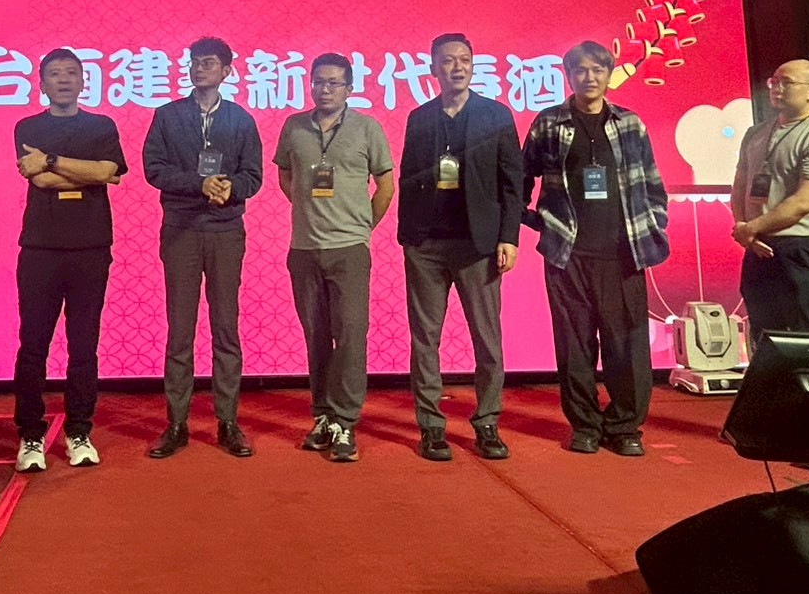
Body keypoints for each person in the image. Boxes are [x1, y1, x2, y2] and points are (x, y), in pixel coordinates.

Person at [521, 41, 670, 457]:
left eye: (597, 70)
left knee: (627, 348)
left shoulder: (630, 123)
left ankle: (625, 427)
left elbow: (652, 183)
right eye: (580, 71)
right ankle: (585, 426)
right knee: (574, 347)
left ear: (609, 74)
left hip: (623, 253)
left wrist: (653, 225)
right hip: (567, 255)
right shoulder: (548, 123)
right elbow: (520, 178)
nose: (589, 77)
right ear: (568, 75)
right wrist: (535, 221)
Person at [397, 33, 522, 462]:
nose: (457, 67)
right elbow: (409, 178)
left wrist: (509, 237)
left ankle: (487, 421)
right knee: (424, 339)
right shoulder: (420, 118)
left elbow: (513, 183)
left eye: (464, 60)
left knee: (487, 340)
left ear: (473, 65)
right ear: (433, 68)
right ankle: (431, 426)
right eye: (448, 60)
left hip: (478, 245)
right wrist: (408, 237)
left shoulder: (495, 115)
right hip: (426, 246)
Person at [142, 37, 263, 459]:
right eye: (194, 62)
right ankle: (176, 423)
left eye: (208, 63)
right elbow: (154, 169)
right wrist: (199, 184)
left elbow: (254, 176)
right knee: (180, 330)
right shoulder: (168, 115)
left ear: (227, 71)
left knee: (225, 327)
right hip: (181, 230)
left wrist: (230, 188)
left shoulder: (241, 120)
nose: (198, 68)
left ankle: (228, 421)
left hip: (225, 230)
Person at [273, 53, 394, 463]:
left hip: (349, 249)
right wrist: (307, 210)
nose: (324, 89)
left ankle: (346, 421)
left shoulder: (367, 128)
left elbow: (385, 184)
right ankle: (322, 415)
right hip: (304, 248)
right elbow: (285, 175)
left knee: (351, 335)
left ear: (349, 88)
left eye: (333, 83)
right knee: (316, 336)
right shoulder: (294, 126)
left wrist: (362, 227)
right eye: (318, 82)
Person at [12, 48, 128, 472]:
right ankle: (30, 434)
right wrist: (89, 172)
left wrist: (54, 161)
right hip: (40, 248)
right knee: (33, 344)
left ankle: (79, 430)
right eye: (54, 74)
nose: (63, 80)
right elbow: (41, 179)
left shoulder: (102, 125)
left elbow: (108, 172)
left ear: (83, 81)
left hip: (90, 247)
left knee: (83, 345)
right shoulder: (28, 126)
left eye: (71, 73)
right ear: (41, 83)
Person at [730, 59, 809, 344]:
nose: (776, 88)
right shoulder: (755, 133)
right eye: (774, 81)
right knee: (762, 333)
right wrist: (744, 229)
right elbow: (741, 185)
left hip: (799, 248)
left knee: (806, 336)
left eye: (787, 83)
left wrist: (750, 229)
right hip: (757, 246)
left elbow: (804, 202)